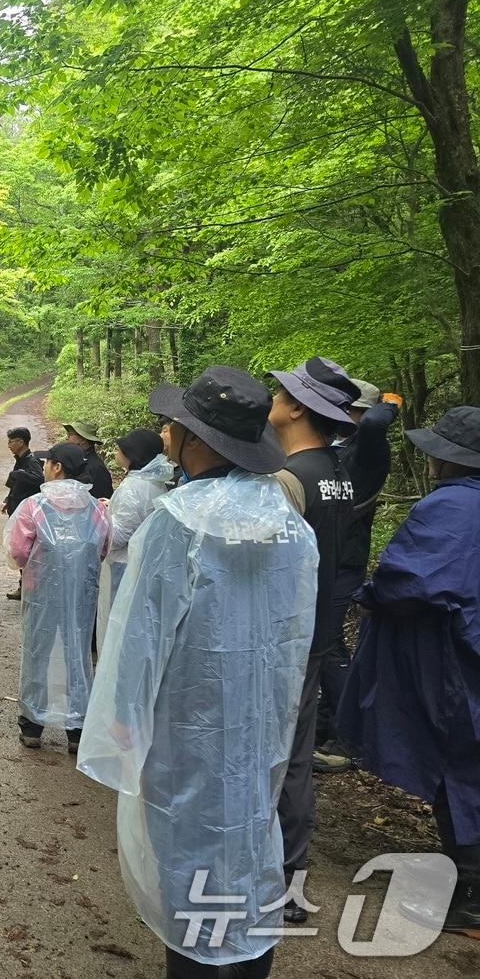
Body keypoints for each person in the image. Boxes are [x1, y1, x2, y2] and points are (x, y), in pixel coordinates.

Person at [78, 366, 318, 979]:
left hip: (186, 716)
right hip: (260, 714)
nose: (165, 434)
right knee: (249, 839)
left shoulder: (178, 519)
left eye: (174, 425)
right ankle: (248, 960)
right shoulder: (289, 520)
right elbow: (294, 627)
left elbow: (142, 632)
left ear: (199, 440)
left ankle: (195, 964)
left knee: (186, 844)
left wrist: (124, 716)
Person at [336, 406, 480, 939]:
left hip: (450, 659)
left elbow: (412, 581)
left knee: (455, 763)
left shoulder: (452, 506)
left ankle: (470, 898)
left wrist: (370, 595)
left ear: (450, 459)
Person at [267, 356, 360, 923]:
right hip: (319, 628)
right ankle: (290, 871)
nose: (272, 399)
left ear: (299, 409)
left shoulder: (289, 480)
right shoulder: (336, 472)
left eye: (281, 393)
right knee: (296, 754)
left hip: (286, 636)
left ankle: (273, 874)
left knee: (272, 753)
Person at [314, 379, 403, 773]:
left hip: (345, 561)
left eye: (343, 408)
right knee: (322, 641)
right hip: (329, 556)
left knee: (330, 644)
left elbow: (373, 423)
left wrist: (391, 402)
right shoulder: (335, 448)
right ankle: (329, 722)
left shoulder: (367, 448)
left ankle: (351, 738)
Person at [4, 441, 110, 752]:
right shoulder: (96, 508)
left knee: (38, 652)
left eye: (47, 463)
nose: (45, 469)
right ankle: (76, 728)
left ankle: (32, 725)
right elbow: (103, 549)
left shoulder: (34, 506)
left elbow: (17, 552)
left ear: (57, 467)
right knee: (77, 654)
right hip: (81, 594)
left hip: (41, 593)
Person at [95, 428, 176, 652]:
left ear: (133, 455)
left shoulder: (132, 487)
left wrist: (100, 519)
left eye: (120, 449)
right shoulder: (153, 483)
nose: (115, 451)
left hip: (123, 567)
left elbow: (118, 536)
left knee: (116, 633)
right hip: (142, 564)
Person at [0, 427, 44, 600]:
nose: (8, 445)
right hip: (17, 510)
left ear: (21, 442)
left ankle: (27, 588)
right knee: (19, 549)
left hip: (27, 515)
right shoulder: (20, 460)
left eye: (11, 441)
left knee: (25, 551)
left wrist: (19, 474)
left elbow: (39, 479)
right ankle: (24, 586)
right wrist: (7, 500)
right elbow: (16, 485)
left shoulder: (31, 460)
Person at [64, 421, 114, 499]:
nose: (67, 438)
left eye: (70, 434)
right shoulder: (78, 459)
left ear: (83, 438)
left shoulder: (96, 468)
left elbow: (102, 501)